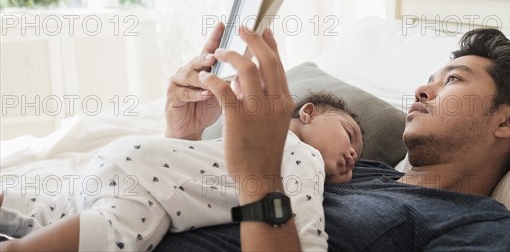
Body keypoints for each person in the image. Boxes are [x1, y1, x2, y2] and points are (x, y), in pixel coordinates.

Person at [148, 23, 510, 251]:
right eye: (429, 79)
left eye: (452, 81)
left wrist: (260, 180)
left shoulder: (481, 229)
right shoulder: (356, 169)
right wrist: (183, 137)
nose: (421, 90)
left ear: (508, 122)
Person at [0, 60, 363, 252]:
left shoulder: (233, 140)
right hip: (143, 188)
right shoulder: (301, 155)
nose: (352, 154)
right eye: (350, 135)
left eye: (357, 157)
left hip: (120, 159)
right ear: (308, 112)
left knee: (51, 210)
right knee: (119, 233)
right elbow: (307, 232)